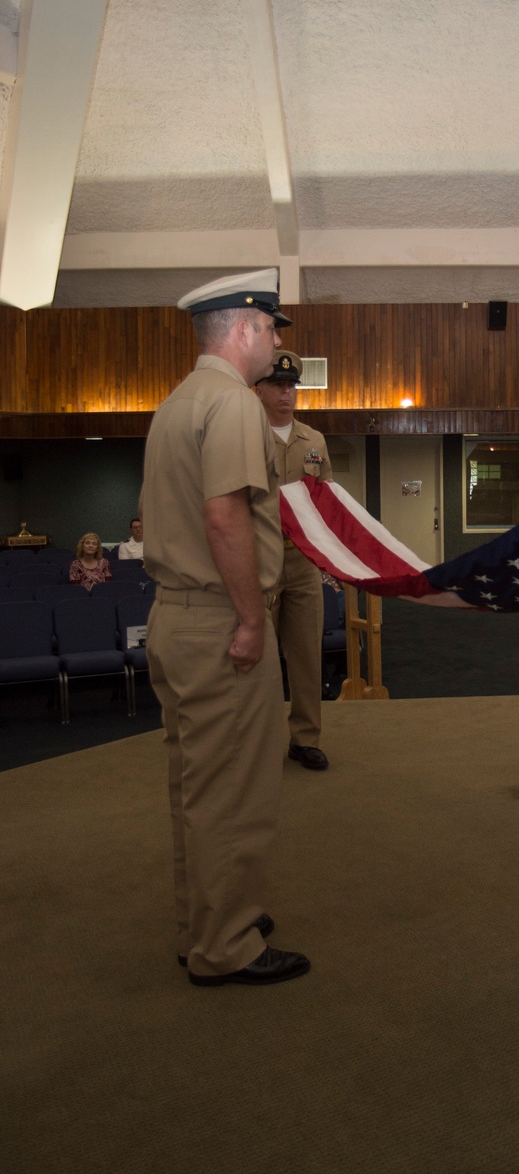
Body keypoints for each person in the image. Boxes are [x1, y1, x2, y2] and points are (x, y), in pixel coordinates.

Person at [142, 269, 310, 987]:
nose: (275, 341)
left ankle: (202, 924)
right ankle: (226, 945)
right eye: (271, 327)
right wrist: (250, 620)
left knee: (196, 785)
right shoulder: (233, 404)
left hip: (174, 619)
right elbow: (225, 516)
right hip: (220, 623)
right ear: (242, 328)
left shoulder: (176, 402)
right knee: (235, 789)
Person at [254, 347, 333, 770]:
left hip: (302, 565)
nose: (286, 393)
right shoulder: (244, 436)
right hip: (258, 564)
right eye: (277, 386)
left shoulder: (314, 441)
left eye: (291, 386)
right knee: (260, 662)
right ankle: (259, 741)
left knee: (305, 656)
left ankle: (305, 738)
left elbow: (325, 498)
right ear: (259, 389)